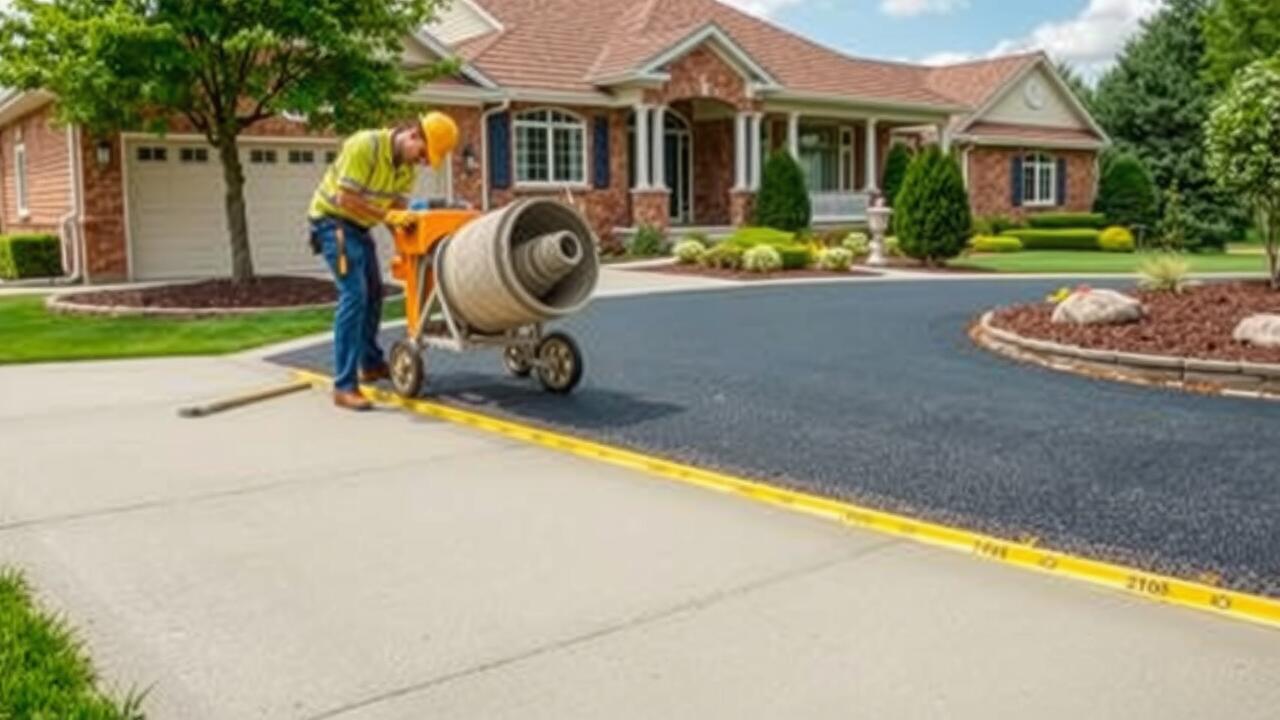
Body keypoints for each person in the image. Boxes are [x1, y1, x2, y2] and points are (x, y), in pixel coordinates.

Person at [308, 112, 459, 411]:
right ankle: (344, 386)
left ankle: (371, 364)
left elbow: (397, 210)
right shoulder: (364, 145)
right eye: (424, 154)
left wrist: (405, 247)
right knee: (355, 296)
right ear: (414, 134)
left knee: (375, 294)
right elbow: (345, 199)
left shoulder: (405, 169)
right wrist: (388, 216)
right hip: (332, 223)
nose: (424, 162)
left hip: (359, 227)